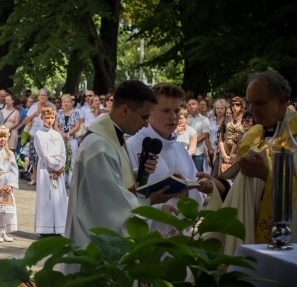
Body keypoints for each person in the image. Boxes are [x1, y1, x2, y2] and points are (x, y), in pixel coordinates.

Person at [64, 79, 174, 250]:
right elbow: (114, 207)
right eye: (145, 117)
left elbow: (112, 180)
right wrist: (152, 201)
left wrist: (139, 173)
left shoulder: (111, 138)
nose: (146, 124)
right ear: (124, 110)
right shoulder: (99, 146)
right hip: (94, 246)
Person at [127, 84, 222, 234]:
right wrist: (157, 209)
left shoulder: (180, 150)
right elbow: (123, 198)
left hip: (179, 237)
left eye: (177, 111)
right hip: (147, 240)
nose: (173, 117)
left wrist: (189, 192)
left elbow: (196, 200)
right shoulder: (132, 147)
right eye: (166, 111)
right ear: (150, 110)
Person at [219, 71, 297, 250]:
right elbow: (237, 184)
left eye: (260, 103)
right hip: (248, 228)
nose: (252, 110)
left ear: (281, 99)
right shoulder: (252, 135)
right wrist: (217, 185)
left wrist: (267, 176)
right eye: (250, 102)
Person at [34, 104, 68, 237]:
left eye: (52, 117)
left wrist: (61, 168)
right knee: (46, 198)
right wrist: (55, 167)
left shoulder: (58, 135)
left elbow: (63, 152)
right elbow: (43, 154)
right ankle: (45, 229)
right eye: (47, 117)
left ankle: (58, 228)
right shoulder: (39, 134)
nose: (50, 120)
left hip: (58, 170)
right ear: (42, 118)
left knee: (58, 198)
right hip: (46, 169)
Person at [53, 93, 83, 186]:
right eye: (64, 102)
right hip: (61, 138)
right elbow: (55, 125)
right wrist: (62, 133)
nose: (66, 103)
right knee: (62, 158)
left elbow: (77, 126)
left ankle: (71, 180)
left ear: (71, 103)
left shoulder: (76, 112)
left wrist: (68, 133)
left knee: (72, 158)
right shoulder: (60, 112)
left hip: (72, 138)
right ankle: (62, 179)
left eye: (68, 102)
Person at [186, 97, 211, 173]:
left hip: (198, 152)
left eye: (193, 104)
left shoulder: (204, 119)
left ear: (198, 106)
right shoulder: (185, 119)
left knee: (198, 174)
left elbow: (205, 135)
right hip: (186, 151)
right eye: (189, 105)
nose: (191, 106)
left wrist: (192, 143)